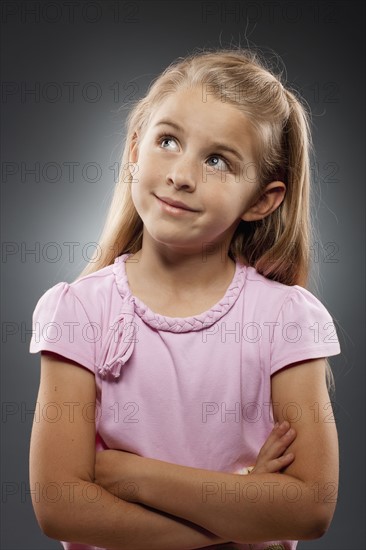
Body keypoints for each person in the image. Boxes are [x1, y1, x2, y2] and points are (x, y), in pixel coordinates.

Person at [29, 47, 341, 550]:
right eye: (168, 140)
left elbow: (308, 507)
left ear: (262, 200)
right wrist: (240, 513)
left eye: (217, 160)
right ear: (135, 150)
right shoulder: (79, 312)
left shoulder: (287, 319)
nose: (181, 174)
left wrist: (128, 475)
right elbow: (59, 505)